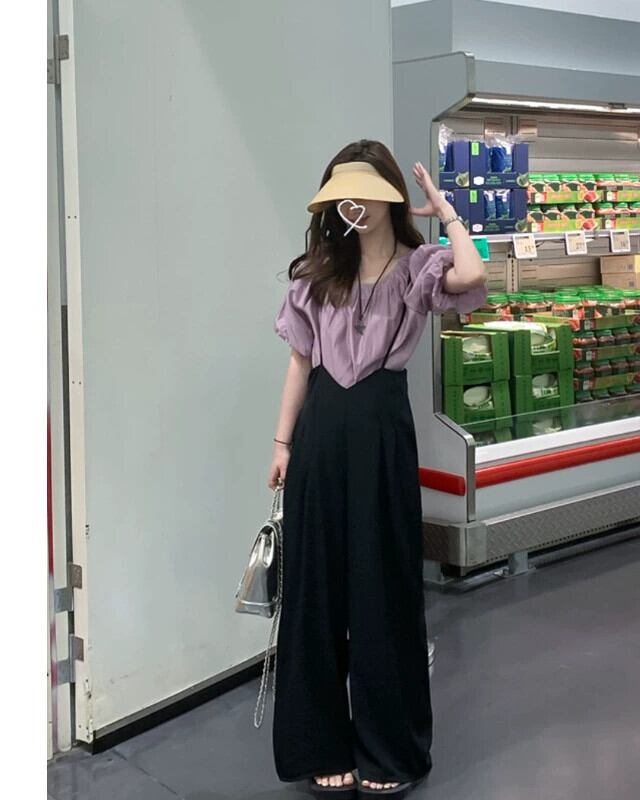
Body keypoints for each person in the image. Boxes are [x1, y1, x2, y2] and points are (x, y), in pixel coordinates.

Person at [268, 139, 487, 799]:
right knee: (314, 592)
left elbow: (471, 276)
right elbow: (300, 363)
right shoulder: (317, 274)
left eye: (365, 193)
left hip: (383, 437)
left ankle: (389, 750)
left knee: (383, 587)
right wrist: (281, 445)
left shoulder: (419, 268)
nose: (353, 206)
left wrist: (447, 214)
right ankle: (320, 745)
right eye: (343, 196)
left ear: (391, 196)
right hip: (320, 437)